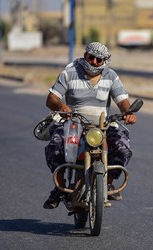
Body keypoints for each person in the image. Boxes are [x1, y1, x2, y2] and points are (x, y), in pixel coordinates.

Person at [43, 42, 137, 209]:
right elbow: (51, 99)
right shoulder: (69, 72)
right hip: (73, 125)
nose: (94, 62)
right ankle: (59, 187)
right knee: (55, 145)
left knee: (123, 148)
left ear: (104, 61)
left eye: (98, 59)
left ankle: (107, 184)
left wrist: (128, 112)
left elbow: (122, 101)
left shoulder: (111, 76)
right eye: (91, 57)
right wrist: (62, 107)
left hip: (103, 127)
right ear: (85, 55)